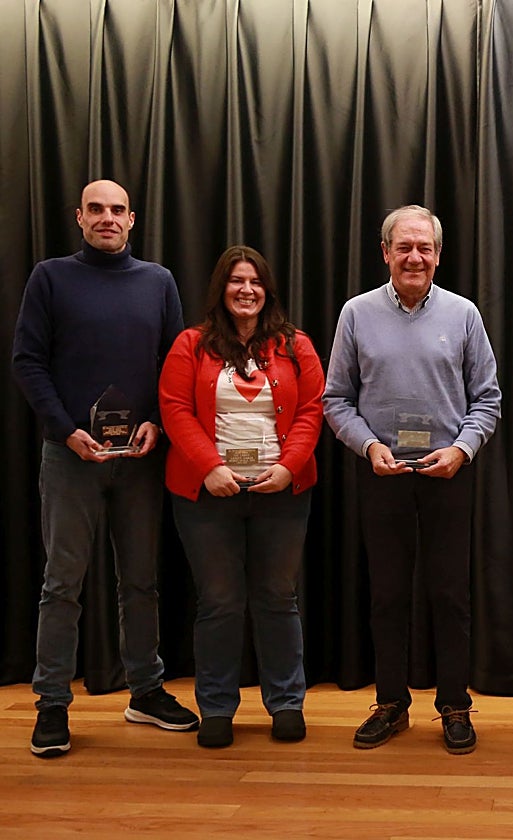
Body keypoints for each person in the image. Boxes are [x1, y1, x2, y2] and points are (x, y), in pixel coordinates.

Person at [12, 179, 199, 757]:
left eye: (117, 210)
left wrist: (158, 424)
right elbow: (27, 360)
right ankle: (51, 705)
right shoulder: (50, 276)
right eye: (96, 209)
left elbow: (177, 365)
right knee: (62, 584)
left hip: (140, 459)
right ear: (79, 217)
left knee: (140, 581)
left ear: (132, 219)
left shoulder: (158, 282)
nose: (107, 218)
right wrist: (66, 430)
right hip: (71, 458)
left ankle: (145, 691)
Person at [324, 205, 501, 755]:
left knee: (450, 595)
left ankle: (454, 705)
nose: (415, 257)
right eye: (404, 247)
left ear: (439, 254)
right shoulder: (356, 314)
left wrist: (462, 450)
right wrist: (370, 446)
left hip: (447, 472)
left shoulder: (464, 314)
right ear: (385, 252)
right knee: (388, 595)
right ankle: (391, 703)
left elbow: (488, 400)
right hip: (383, 472)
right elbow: (335, 400)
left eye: (424, 248)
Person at [158, 245, 325, 749]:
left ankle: (286, 703)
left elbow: (313, 410)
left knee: (277, 598)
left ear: (267, 289)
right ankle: (215, 706)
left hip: (282, 491)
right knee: (220, 602)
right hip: (207, 494)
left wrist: (286, 466)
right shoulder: (190, 344)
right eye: (236, 281)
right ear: (220, 290)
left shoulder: (296, 345)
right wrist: (209, 468)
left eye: (254, 281)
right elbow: (174, 409)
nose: (246, 290)